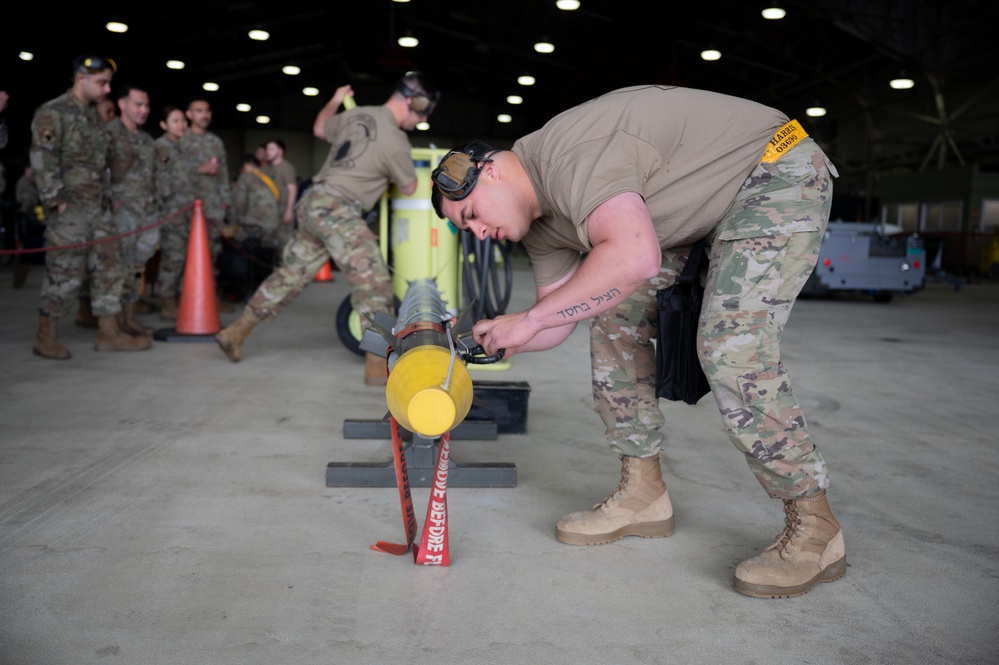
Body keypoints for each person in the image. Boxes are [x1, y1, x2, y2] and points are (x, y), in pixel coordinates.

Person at [429, 85, 844, 599]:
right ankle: (644, 492)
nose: (478, 232)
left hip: (771, 170)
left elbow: (635, 257)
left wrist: (531, 320)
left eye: (470, 215)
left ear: (490, 170)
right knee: (613, 313)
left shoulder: (568, 155)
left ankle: (815, 526)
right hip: (700, 207)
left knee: (731, 344)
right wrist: (509, 335)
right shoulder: (540, 227)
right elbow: (561, 315)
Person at [215, 72, 440, 385]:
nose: (423, 120)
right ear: (417, 103)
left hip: (313, 204)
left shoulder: (355, 114)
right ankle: (377, 367)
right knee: (374, 285)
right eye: (425, 114)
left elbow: (320, 127)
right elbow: (409, 184)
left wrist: (335, 99)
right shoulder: (397, 141)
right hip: (337, 209)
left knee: (290, 276)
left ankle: (235, 332)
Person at [30, 53, 151, 359]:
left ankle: (109, 332)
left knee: (110, 267)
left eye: (108, 83)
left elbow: (103, 164)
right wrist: (55, 201)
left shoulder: (95, 117)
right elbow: (43, 159)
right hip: (70, 208)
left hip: (99, 207)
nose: (107, 89)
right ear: (80, 78)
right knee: (64, 272)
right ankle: (46, 335)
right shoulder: (53, 112)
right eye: (102, 83)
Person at [106, 82, 158, 336]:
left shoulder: (147, 140)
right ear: (122, 104)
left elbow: (153, 176)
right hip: (120, 213)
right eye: (138, 104)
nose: (144, 110)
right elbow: (95, 172)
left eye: (147, 105)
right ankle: (112, 323)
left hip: (145, 214)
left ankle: (129, 317)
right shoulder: (109, 134)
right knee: (117, 269)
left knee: (137, 269)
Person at [181, 96, 231, 304]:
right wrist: (197, 170)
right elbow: (171, 174)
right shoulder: (181, 140)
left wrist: (225, 200)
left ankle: (208, 297)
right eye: (199, 110)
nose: (204, 115)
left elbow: (223, 174)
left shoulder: (215, 142)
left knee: (211, 252)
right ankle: (183, 299)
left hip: (211, 207)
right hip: (185, 206)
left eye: (207, 110)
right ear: (189, 114)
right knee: (183, 253)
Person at [220, 153, 283, 299]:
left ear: (246, 166)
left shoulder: (246, 177)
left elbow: (239, 204)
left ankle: (244, 288)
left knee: (235, 249)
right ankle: (265, 290)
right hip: (272, 226)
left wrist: (233, 221)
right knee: (265, 257)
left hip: (254, 226)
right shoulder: (267, 178)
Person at [153, 105, 195, 321]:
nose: (181, 125)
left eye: (183, 121)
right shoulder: (162, 147)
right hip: (171, 213)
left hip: (185, 212)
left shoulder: (181, 147)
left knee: (182, 258)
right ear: (163, 125)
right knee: (172, 258)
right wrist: (168, 207)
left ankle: (177, 299)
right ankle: (167, 302)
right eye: (175, 121)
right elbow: (161, 182)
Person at [262, 138, 297, 252]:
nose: (268, 151)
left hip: (282, 211)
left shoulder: (286, 167)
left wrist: (289, 210)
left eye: (271, 149)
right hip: (270, 213)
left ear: (280, 151)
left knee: (284, 245)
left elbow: (292, 189)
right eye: (267, 149)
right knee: (270, 245)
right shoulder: (267, 168)